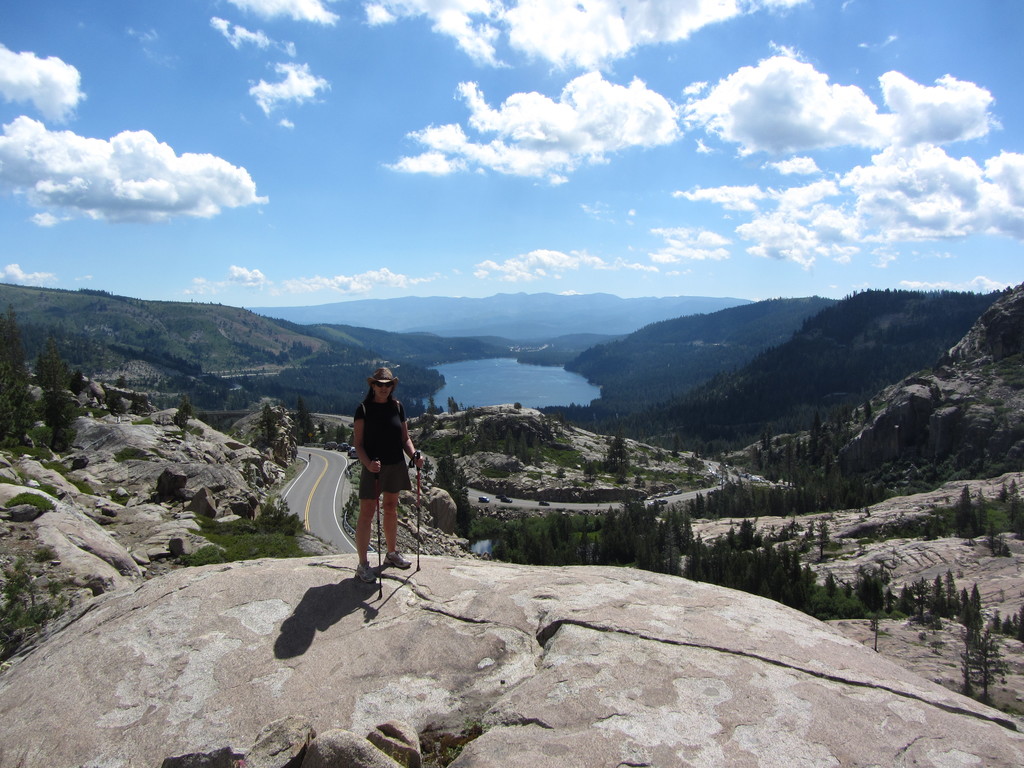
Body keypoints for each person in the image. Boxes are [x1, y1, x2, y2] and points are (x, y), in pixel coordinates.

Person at [352, 367, 424, 583]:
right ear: (372, 386)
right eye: (379, 384)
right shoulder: (363, 409)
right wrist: (368, 464)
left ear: (392, 386)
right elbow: (358, 444)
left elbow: (405, 439)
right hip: (373, 469)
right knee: (367, 513)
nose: (383, 388)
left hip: (395, 464)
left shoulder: (397, 406)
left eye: (387, 384)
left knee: (391, 508)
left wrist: (413, 455)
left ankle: (391, 554)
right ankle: (362, 565)